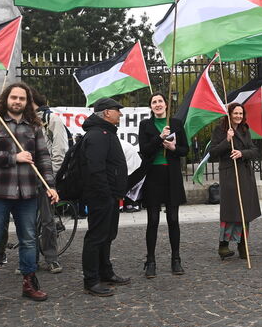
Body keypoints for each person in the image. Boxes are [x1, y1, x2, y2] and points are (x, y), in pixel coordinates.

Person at [0, 82, 58, 310]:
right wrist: (13, 157)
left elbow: (43, 158)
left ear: (27, 102)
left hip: (28, 193)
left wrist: (50, 186)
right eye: (14, 97)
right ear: (6, 99)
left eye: (22, 98)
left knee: (29, 239)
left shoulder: (34, 126)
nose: (18, 101)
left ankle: (29, 281)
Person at [80, 97, 131, 296]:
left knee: (107, 236)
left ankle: (105, 272)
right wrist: (106, 194)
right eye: (117, 110)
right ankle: (91, 280)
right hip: (101, 196)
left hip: (110, 195)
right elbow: (96, 169)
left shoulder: (106, 132)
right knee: (96, 237)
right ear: (107, 112)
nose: (120, 113)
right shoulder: (97, 135)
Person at [137, 93, 188, 278]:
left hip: (171, 175)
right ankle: (150, 261)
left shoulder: (176, 123)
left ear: (166, 105)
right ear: (151, 107)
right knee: (153, 220)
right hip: (153, 176)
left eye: (160, 101)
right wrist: (160, 138)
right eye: (154, 102)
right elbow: (144, 150)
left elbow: (185, 150)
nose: (157, 104)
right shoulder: (145, 125)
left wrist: (173, 148)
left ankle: (176, 259)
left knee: (173, 219)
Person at [208, 103, 262, 260]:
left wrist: (242, 153)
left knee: (245, 211)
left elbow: (254, 150)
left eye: (241, 113)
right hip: (229, 175)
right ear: (230, 114)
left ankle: (243, 245)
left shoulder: (245, 129)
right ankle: (223, 245)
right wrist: (227, 140)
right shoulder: (220, 130)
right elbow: (212, 152)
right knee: (231, 210)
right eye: (236, 113)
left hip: (245, 175)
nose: (238, 116)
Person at [30, 87, 67, 273]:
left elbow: (59, 150)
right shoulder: (21, 121)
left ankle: (52, 258)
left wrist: (51, 177)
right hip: (25, 177)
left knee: (47, 220)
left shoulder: (51, 119)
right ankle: (29, 259)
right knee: (27, 220)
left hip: (45, 176)